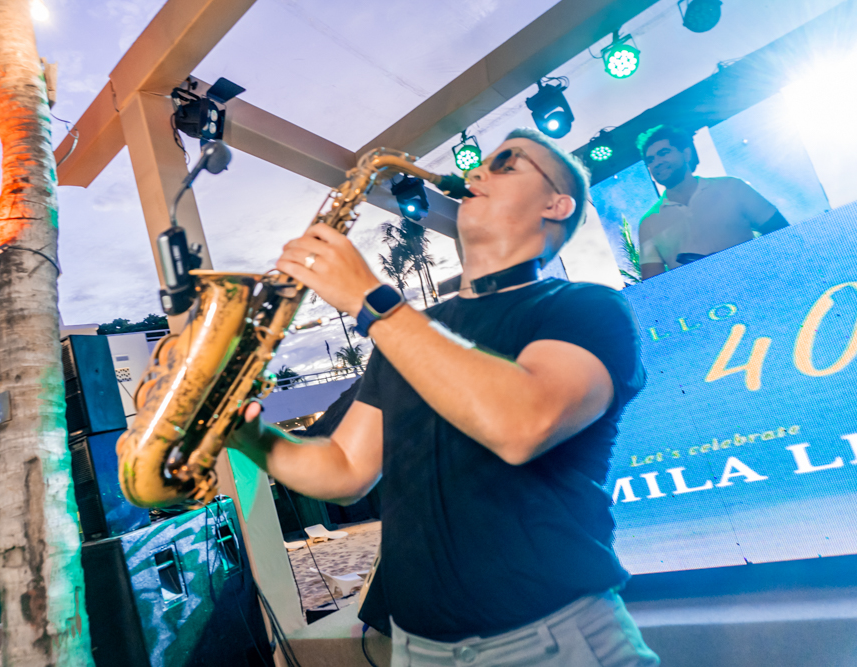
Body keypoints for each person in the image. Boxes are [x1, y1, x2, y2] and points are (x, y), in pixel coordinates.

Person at [231, 128, 658, 666]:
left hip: (552, 641)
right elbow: (344, 470)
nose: (477, 171)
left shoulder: (587, 308)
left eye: (507, 163)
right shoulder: (405, 331)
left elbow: (522, 424)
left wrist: (371, 302)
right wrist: (248, 435)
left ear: (556, 204)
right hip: (417, 650)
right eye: (483, 163)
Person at [637, 125, 789, 279]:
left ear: (686, 154)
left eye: (664, 153)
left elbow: (784, 233)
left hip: (757, 282)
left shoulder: (732, 187)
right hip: (699, 295)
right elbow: (652, 282)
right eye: (650, 160)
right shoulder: (648, 223)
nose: (657, 163)